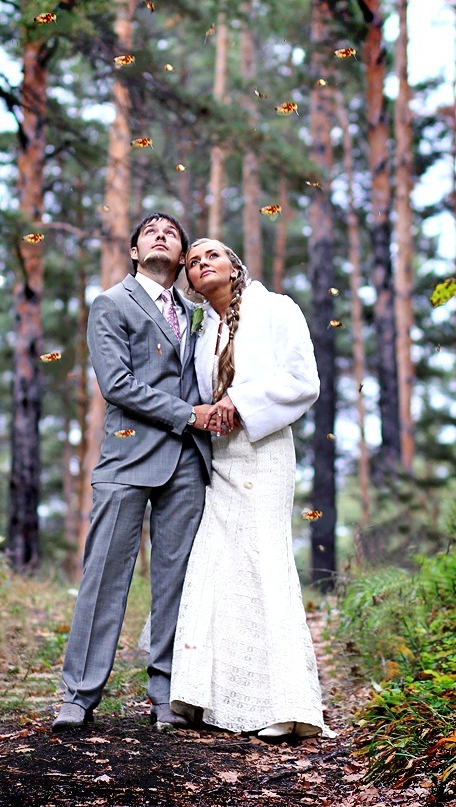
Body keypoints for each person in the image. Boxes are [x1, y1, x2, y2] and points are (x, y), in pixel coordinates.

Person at [52, 213, 214, 733]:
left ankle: (167, 694)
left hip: (187, 461)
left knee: (176, 582)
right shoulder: (111, 303)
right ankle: (79, 695)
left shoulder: (197, 313)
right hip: (127, 457)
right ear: (134, 252)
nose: (161, 235)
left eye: (171, 233)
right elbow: (116, 383)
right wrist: (188, 414)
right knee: (103, 576)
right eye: (150, 231)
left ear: (183, 256)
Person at [169, 238, 335, 739]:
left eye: (212, 255)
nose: (202, 263)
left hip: (265, 452)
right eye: (193, 262)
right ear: (189, 279)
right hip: (220, 456)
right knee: (216, 566)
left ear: (234, 265)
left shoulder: (276, 308)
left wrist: (240, 402)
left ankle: (286, 706)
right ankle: (207, 697)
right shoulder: (200, 328)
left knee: (265, 562)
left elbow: (304, 380)